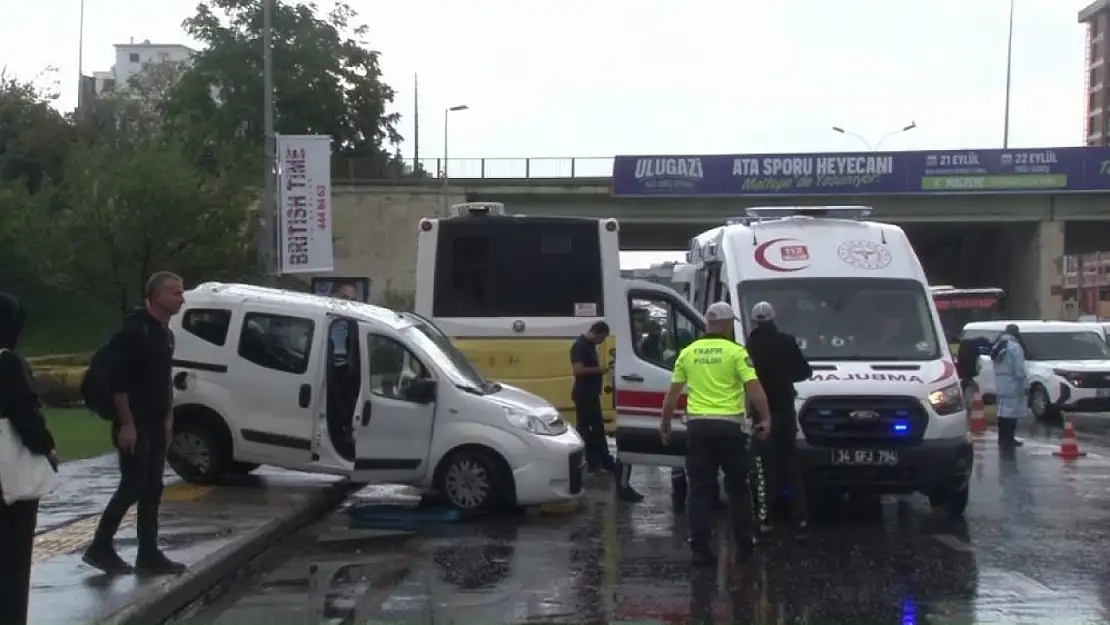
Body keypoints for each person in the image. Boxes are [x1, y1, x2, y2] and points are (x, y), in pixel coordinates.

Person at [82, 271, 187, 574]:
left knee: (152, 487)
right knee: (132, 485)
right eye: (175, 293)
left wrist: (168, 418)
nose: (182, 298)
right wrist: (126, 424)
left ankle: (148, 553)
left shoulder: (165, 334)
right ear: (156, 297)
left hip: (155, 422)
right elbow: (118, 381)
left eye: (182, 292)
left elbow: (162, 380)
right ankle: (100, 546)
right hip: (134, 422)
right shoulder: (133, 332)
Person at [660, 302, 773, 565]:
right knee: (737, 487)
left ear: (709, 323)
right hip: (730, 427)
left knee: (699, 490)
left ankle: (700, 549)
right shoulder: (736, 352)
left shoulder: (688, 353)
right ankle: (744, 545)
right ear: (725, 324)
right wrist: (766, 418)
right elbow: (754, 389)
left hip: (698, 428)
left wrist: (664, 424)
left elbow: (672, 395)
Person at [0, 292, 59, 625]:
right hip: (8, 479)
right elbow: (25, 415)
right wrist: (47, 446)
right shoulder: (7, 362)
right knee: (12, 559)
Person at [744, 301, 812, 540]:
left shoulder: (749, 346)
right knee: (791, 466)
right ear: (774, 319)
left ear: (754, 321)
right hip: (784, 411)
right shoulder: (787, 341)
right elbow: (804, 372)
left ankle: (766, 521)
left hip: (762, 415)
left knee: (763, 469)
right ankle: (800, 520)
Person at [570, 322, 643, 502]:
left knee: (597, 428)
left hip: (591, 394)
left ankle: (602, 460)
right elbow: (578, 370)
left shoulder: (589, 345)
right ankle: (586, 462)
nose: (602, 342)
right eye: (602, 338)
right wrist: (601, 370)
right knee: (585, 429)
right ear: (597, 333)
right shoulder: (579, 346)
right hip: (584, 394)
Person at [991, 323, 1027, 448]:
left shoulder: (998, 345)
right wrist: (1023, 382)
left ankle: (1002, 437)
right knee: (1011, 411)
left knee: (1001, 410)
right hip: (1012, 380)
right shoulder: (1014, 346)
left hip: (1000, 380)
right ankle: (1009, 438)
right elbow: (1019, 368)